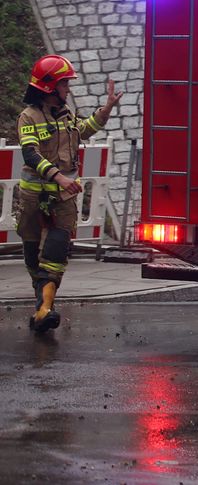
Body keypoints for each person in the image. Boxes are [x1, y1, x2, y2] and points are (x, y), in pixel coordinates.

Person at [16, 54, 121, 333]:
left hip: (63, 202)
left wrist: (106, 110)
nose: (68, 89)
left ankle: (45, 309)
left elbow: (83, 131)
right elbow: (29, 153)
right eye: (64, 84)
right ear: (50, 87)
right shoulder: (28, 117)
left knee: (54, 255)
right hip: (33, 200)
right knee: (32, 259)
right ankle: (42, 309)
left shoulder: (66, 115)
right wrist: (59, 177)